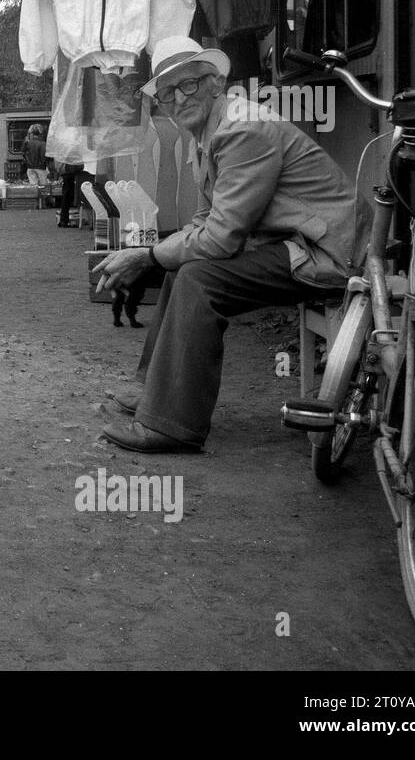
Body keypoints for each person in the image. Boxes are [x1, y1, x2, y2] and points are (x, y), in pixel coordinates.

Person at [94, 37, 359, 453]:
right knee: (184, 265)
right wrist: (157, 254)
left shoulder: (242, 129)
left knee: (200, 278)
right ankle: (153, 391)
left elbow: (220, 238)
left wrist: (146, 257)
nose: (180, 99)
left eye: (190, 84)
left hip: (324, 254)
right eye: (168, 92)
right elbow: (204, 221)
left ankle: (171, 425)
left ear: (216, 83)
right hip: (293, 244)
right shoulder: (211, 132)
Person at [58, 161, 89, 227]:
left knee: (66, 196)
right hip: (71, 171)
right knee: (69, 196)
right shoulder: (72, 152)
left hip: (67, 171)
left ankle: (64, 220)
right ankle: (65, 220)